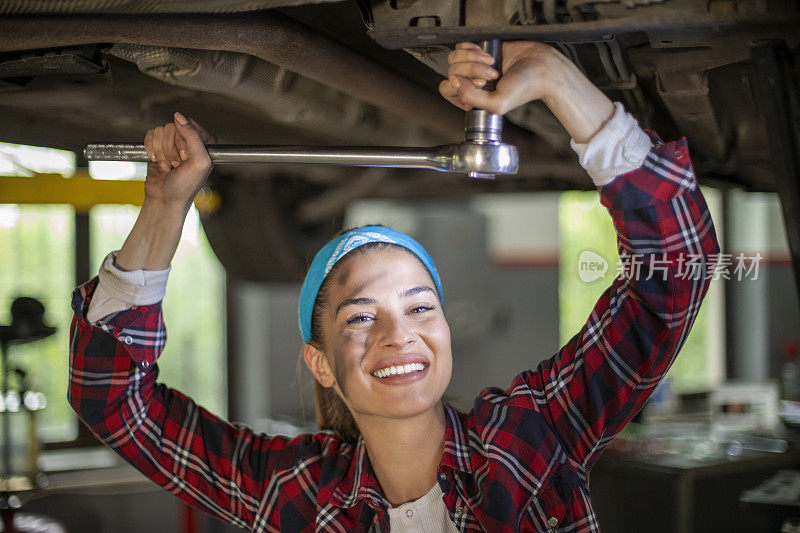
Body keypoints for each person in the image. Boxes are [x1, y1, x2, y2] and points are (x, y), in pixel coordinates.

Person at [68, 41, 719, 532]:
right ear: (319, 361)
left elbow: (673, 275)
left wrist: (556, 76)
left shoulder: (529, 439)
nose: (398, 334)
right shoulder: (296, 490)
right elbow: (116, 404)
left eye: (419, 305)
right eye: (359, 316)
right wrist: (163, 206)